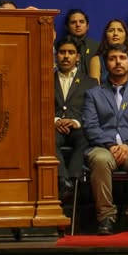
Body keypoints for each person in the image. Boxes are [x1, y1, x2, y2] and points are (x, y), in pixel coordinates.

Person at [81, 44, 128, 234]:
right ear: (106, 64)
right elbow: (90, 126)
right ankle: (106, 217)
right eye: (112, 58)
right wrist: (111, 145)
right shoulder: (93, 94)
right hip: (103, 146)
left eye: (122, 58)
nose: (118, 62)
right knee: (100, 160)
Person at [53, 35, 97, 199]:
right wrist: (56, 121)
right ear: (56, 55)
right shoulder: (45, 80)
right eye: (62, 52)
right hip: (54, 128)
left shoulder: (90, 82)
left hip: (79, 128)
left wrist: (76, 122)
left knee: (85, 138)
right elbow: (41, 107)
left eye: (71, 52)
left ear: (77, 56)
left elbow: (92, 111)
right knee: (47, 141)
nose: (66, 56)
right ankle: (63, 180)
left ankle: (72, 179)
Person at [63, 8, 98, 77]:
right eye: (73, 22)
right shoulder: (61, 48)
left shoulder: (96, 47)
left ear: (87, 26)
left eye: (81, 22)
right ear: (67, 27)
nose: (78, 25)